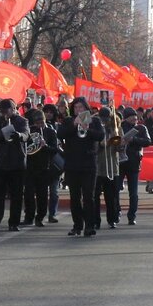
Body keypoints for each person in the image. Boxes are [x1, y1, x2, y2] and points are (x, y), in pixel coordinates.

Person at [57, 97, 105, 237]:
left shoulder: (94, 121)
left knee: (89, 196)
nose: (79, 110)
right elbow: (60, 134)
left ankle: (89, 226)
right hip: (72, 164)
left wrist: (87, 129)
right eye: (76, 107)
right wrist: (74, 124)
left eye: (81, 107)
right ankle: (77, 225)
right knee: (75, 196)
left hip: (89, 163)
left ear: (86, 108)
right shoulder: (68, 121)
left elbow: (100, 136)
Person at [0, 98, 29, 232]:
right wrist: (3, 132)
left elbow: (26, 135)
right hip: (1, 162)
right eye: (2, 111)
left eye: (7, 111)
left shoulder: (22, 121)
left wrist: (18, 135)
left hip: (17, 163)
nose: (4, 114)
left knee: (16, 195)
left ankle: (14, 223)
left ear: (13, 109)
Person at [22, 108, 60, 228]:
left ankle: (40, 217)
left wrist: (45, 146)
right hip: (30, 166)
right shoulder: (30, 131)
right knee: (28, 193)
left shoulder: (50, 132)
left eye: (41, 123)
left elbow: (55, 150)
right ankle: (29, 217)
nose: (39, 126)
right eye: (37, 123)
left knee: (42, 194)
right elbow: (25, 147)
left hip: (44, 167)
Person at [119, 107, 153, 224]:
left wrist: (133, 139)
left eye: (135, 116)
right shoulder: (120, 127)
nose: (134, 118)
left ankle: (132, 216)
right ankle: (116, 212)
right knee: (116, 190)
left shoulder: (141, 128)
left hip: (134, 162)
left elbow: (148, 141)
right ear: (126, 118)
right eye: (131, 117)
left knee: (133, 193)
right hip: (120, 162)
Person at [93, 105, 123, 230]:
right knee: (95, 196)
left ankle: (112, 219)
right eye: (103, 118)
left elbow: (120, 148)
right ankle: (95, 221)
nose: (105, 121)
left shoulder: (116, 127)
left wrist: (121, 143)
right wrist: (100, 144)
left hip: (112, 166)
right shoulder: (95, 127)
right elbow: (92, 146)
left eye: (107, 118)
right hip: (97, 166)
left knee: (111, 196)